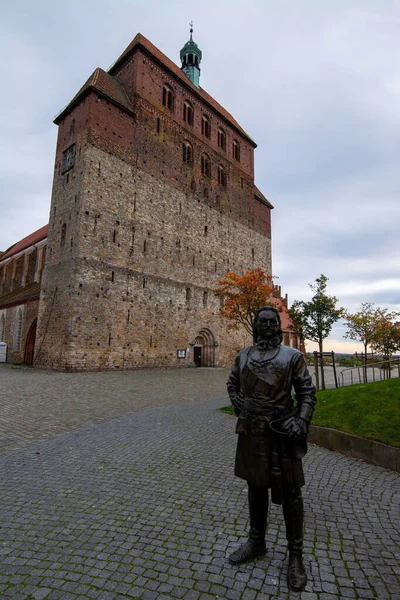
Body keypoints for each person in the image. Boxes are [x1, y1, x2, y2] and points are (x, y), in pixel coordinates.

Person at [226, 305, 316, 592]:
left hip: (280, 433)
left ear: (279, 327)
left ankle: (296, 554)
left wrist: (300, 421)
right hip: (251, 432)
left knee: (290, 492)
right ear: (255, 326)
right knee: (255, 486)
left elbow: (306, 393)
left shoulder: (293, 357)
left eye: (271, 322)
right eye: (261, 321)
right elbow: (232, 384)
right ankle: (256, 541)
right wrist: (238, 402)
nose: (266, 326)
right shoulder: (243, 356)